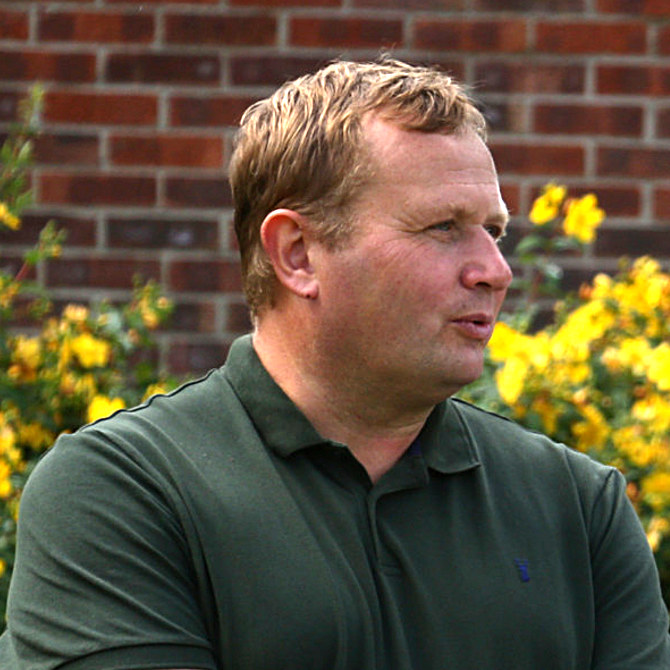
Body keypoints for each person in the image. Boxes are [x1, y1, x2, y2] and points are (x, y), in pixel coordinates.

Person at [0, 56, 668, 670]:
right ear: (297, 254)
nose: (495, 271)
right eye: (443, 228)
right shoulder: (126, 493)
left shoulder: (577, 509)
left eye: (493, 231)